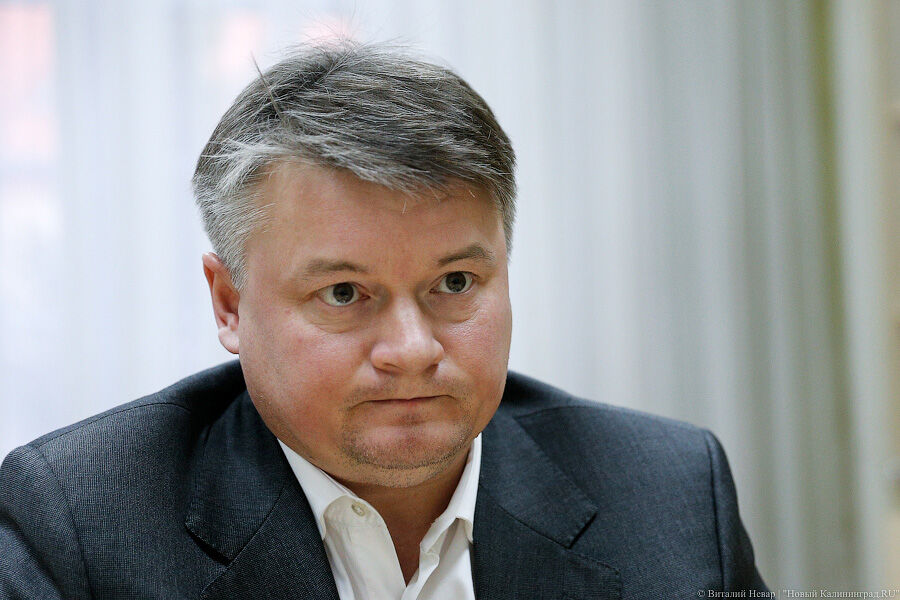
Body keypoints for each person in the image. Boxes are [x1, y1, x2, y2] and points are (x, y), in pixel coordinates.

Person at [0, 42, 768, 599]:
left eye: (455, 282)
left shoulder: (667, 491)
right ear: (229, 303)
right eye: (344, 293)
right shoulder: (82, 526)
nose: (412, 349)